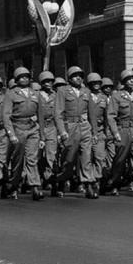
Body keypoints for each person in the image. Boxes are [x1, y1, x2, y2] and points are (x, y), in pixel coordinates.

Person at [54, 65, 97, 198]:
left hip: (84, 126)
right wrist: (62, 131)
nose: (78, 78)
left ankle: (88, 184)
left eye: (80, 75)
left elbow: (92, 114)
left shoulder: (86, 92)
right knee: (69, 158)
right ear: (69, 78)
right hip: (70, 127)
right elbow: (58, 113)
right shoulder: (62, 91)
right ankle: (61, 181)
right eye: (75, 75)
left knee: (86, 157)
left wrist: (94, 132)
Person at [3, 67, 45, 200]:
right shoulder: (11, 94)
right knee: (18, 161)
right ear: (16, 80)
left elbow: (40, 115)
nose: (24, 79)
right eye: (21, 77)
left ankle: (35, 187)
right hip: (17, 128)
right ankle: (13, 185)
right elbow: (6, 115)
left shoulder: (35, 93)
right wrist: (11, 134)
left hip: (32, 128)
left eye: (26, 76)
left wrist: (42, 136)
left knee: (32, 159)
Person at [105, 70, 133, 196]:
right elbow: (111, 116)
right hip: (122, 129)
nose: (132, 81)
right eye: (129, 79)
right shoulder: (117, 96)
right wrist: (115, 132)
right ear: (124, 81)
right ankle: (115, 183)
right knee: (120, 158)